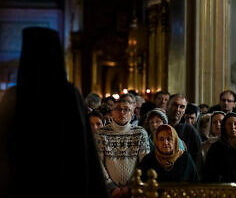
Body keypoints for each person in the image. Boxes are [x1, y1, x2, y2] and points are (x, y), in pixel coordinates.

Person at [0, 27, 108, 198]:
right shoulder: (70, 95)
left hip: (23, 183)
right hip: (66, 182)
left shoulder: (13, 97)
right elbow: (84, 151)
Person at [95, 99, 150, 198]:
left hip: (134, 189)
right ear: (112, 113)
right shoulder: (101, 133)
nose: (122, 112)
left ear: (132, 113)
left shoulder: (140, 133)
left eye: (126, 109)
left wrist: (130, 187)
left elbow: (144, 162)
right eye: (118, 109)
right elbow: (98, 162)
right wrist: (111, 186)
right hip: (109, 190)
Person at [167, 94, 202, 163]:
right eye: (175, 105)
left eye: (182, 107)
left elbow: (197, 157)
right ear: (168, 105)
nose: (177, 109)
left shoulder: (190, 131)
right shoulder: (158, 125)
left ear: (185, 110)